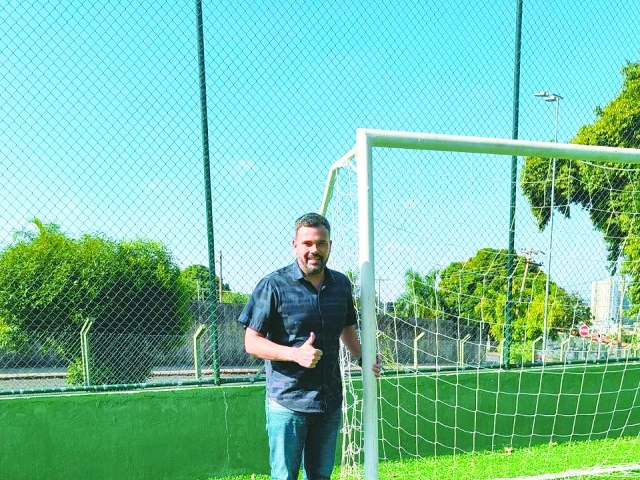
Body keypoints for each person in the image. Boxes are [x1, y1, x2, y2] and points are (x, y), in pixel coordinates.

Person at [238, 212, 381, 480]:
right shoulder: (273, 285)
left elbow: (346, 327)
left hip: (328, 403)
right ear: (295, 245)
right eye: (307, 244)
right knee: (285, 476)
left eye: (321, 243)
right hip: (288, 403)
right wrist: (295, 354)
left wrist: (364, 357)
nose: (314, 250)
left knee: (320, 476)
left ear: (329, 245)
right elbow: (251, 341)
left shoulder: (340, 285)